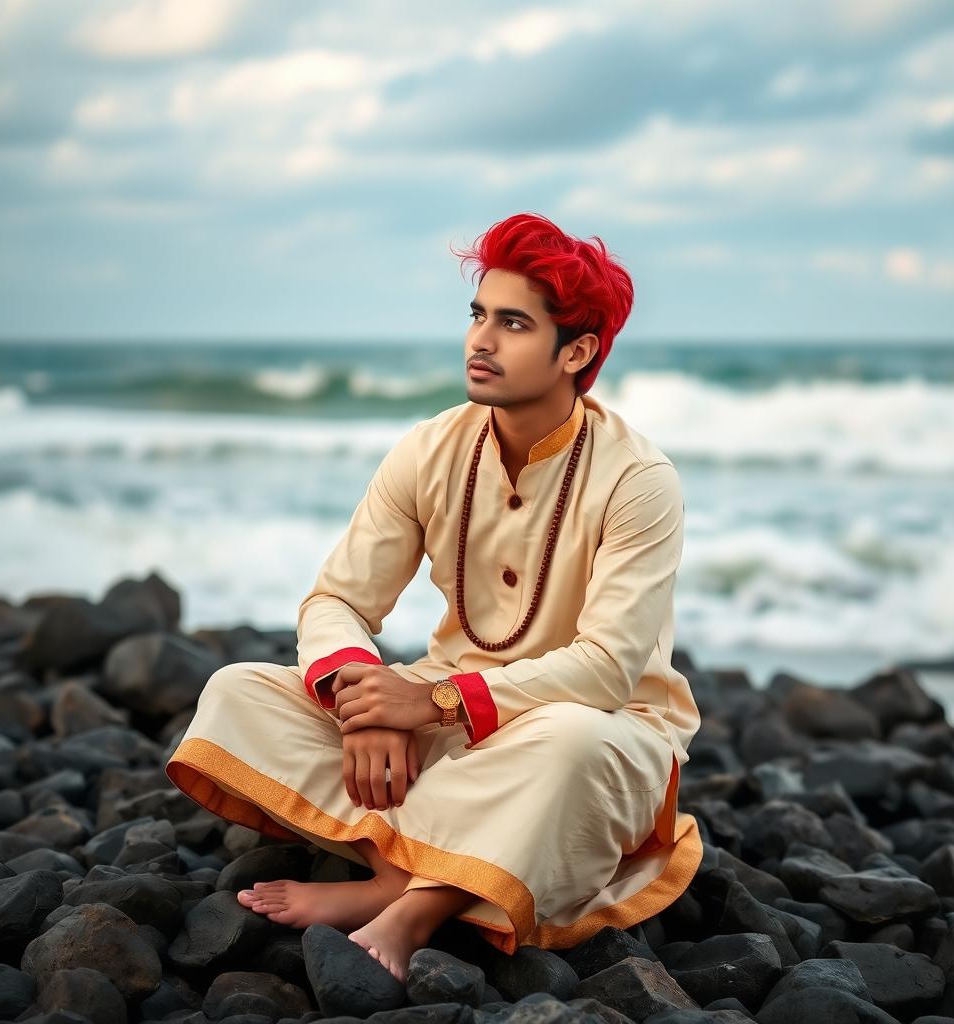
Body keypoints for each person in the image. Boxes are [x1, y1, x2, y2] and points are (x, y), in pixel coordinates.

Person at [165, 211, 703, 983]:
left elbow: (607, 669)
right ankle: (439, 866)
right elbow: (336, 602)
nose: (480, 340)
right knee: (236, 691)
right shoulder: (430, 447)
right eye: (478, 315)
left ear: (575, 351)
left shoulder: (638, 480)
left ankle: (407, 902)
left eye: (513, 323)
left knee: (571, 749)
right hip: (442, 719)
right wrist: (363, 703)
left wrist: (430, 705)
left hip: (597, 729)